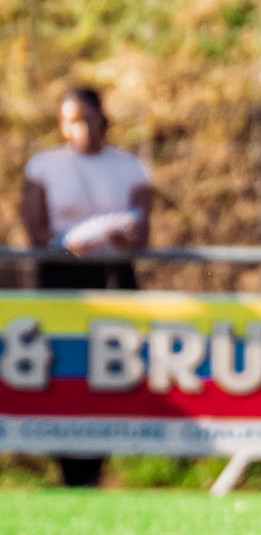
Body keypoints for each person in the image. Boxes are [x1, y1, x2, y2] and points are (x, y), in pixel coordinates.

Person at [21, 87, 152, 489]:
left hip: (112, 274)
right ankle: (68, 464)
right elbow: (35, 226)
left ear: (102, 119)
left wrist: (125, 237)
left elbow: (142, 227)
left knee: (111, 366)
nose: (80, 128)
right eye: (71, 120)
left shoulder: (129, 167)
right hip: (63, 274)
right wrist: (60, 245)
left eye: (87, 118)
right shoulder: (44, 166)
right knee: (64, 365)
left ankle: (100, 460)